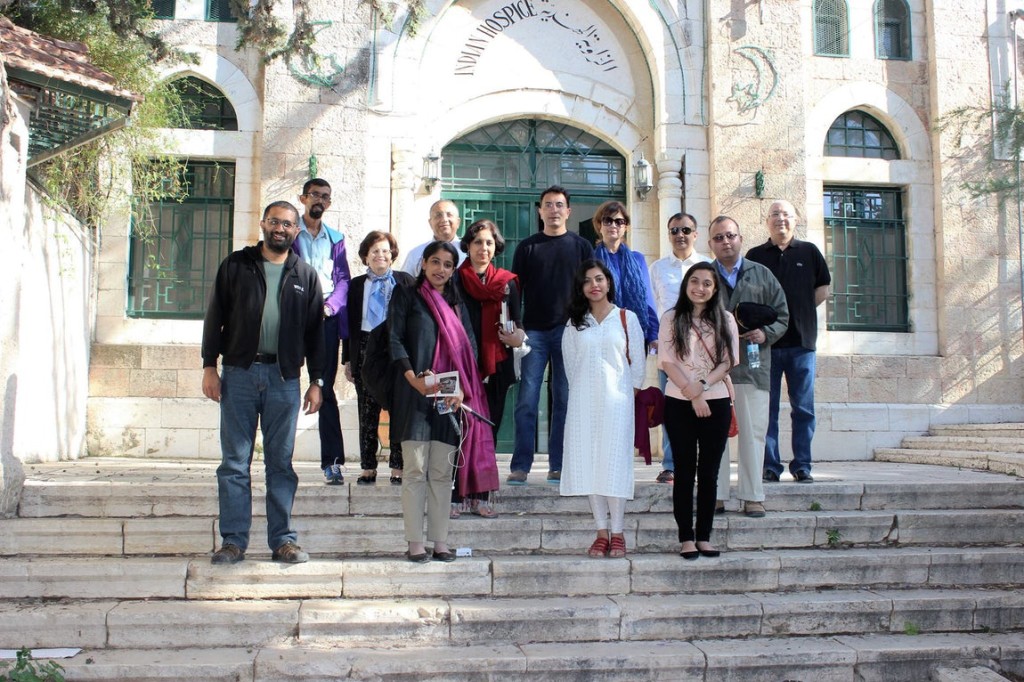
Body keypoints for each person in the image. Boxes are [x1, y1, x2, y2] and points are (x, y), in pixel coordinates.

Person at [201, 201, 325, 565]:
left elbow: (318, 334)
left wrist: (317, 381)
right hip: (239, 374)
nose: (281, 229)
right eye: (275, 222)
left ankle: (283, 541)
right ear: (263, 224)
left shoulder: (306, 275)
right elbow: (215, 317)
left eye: (288, 224)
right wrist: (210, 366)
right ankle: (233, 541)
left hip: (284, 379)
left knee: (280, 465)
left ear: (296, 230)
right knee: (234, 463)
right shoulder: (236, 266)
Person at [388, 241, 498, 562]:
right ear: (423, 264)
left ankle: (439, 541)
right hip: (413, 394)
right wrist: (413, 380)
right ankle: (414, 543)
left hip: (447, 397)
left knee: (440, 473)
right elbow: (394, 339)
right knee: (415, 470)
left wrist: (461, 389)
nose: (440, 270)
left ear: (453, 270)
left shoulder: (456, 305)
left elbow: (469, 350)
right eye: (434, 262)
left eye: (447, 265)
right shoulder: (406, 295)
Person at [508, 186, 594, 485]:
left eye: (559, 205)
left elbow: (592, 287)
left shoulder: (582, 246)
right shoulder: (527, 248)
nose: (554, 210)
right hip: (534, 332)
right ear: (540, 211)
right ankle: (520, 465)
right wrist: (516, 325)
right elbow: (514, 291)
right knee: (527, 400)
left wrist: (585, 324)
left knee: (564, 400)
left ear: (568, 211)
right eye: (548, 205)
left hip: (569, 331)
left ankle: (559, 464)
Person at [561, 260, 645, 558]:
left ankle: (618, 532)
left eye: (599, 279)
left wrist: (627, 397)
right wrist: (584, 393)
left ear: (608, 283)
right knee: (589, 465)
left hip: (617, 403)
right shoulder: (575, 323)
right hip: (584, 403)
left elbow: (638, 364)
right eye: (587, 281)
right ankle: (600, 532)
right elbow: (571, 366)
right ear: (581, 288)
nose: (594, 285)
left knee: (614, 464)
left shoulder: (626, 318)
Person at [708, 216, 789, 518]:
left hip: (754, 367)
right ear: (710, 243)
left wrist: (765, 333)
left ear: (740, 238)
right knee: (714, 435)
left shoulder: (762, 275)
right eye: (718, 237)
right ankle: (714, 494)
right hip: (715, 369)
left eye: (730, 235)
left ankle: (752, 495)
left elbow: (782, 315)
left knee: (754, 432)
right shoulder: (704, 276)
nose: (725, 242)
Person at [746, 200, 831, 483]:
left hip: (802, 344)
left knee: (803, 408)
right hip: (765, 346)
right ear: (767, 221)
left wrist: (799, 311)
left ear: (795, 220)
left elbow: (822, 289)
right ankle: (770, 466)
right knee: (765, 408)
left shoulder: (809, 252)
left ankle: (802, 465)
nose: (780, 219)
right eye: (774, 215)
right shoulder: (755, 255)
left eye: (786, 214)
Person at [659, 262, 738, 559]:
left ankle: (704, 535)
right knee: (684, 468)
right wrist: (692, 394)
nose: (700, 287)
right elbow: (668, 361)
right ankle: (685, 538)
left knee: (709, 472)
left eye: (707, 283)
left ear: (715, 289)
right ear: (686, 284)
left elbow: (727, 361)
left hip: (715, 399)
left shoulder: (726, 319)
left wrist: (702, 386)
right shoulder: (671, 318)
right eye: (694, 281)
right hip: (678, 400)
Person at [452, 219, 526, 518]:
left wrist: (517, 337)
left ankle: (481, 494)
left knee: (487, 432)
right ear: (467, 246)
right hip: (462, 366)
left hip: (496, 366)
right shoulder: (455, 280)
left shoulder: (507, 282)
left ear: (496, 248)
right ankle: (457, 495)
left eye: (489, 243)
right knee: (460, 431)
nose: (483, 248)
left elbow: (519, 325)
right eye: (478, 242)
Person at [342, 231, 414, 486]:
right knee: (367, 409)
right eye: (374, 251)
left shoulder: (406, 281)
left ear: (392, 255)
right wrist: (348, 359)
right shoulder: (357, 285)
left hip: (396, 348)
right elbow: (348, 324)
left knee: (399, 408)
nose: (380, 255)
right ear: (366, 256)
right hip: (364, 347)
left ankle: (398, 466)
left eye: (385, 250)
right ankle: (368, 467)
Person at [291, 178, 351, 485]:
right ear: (303, 198)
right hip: (293, 319)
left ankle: (333, 462)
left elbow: (343, 280)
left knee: (324, 390)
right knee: (285, 387)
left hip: (326, 320)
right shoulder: (290, 233)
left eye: (325, 197)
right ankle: (280, 459)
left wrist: (330, 307)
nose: (320, 200)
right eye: (315, 195)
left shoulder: (336, 239)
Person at [648, 213, 711, 484]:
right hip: (671, 350)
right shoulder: (658, 268)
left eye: (686, 229)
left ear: (695, 234)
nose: (680, 234)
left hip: (703, 350)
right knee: (673, 409)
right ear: (669, 234)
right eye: (674, 230)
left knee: (703, 406)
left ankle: (701, 464)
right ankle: (671, 465)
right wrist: (654, 338)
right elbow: (652, 307)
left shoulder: (707, 266)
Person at [592, 200, 659, 347]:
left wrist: (653, 334)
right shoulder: (591, 259)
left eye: (619, 221)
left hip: (634, 333)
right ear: (599, 225)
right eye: (607, 220)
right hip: (601, 333)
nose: (613, 225)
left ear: (626, 227)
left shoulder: (637, 259)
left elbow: (646, 297)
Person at [400, 199, 467, 275]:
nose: (444, 219)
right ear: (430, 223)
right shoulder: (416, 254)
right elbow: (404, 283)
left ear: (458, 222)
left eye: (449, 215)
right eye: (438, 215)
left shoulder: (468, 253)